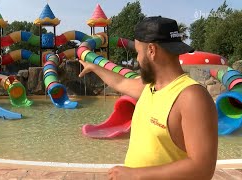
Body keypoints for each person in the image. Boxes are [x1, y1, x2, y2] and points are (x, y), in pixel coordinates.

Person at [79, 16, 218, 180]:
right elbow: (121, 82)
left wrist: (135, 175)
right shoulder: (149, 87)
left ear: (151, 50)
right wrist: (94, 67)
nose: (137, 59)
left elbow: (202, 168)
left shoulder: (191, 97)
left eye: (138, 52)